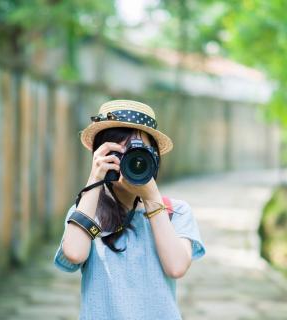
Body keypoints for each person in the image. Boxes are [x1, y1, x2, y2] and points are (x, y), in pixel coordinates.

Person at [54, 99, 206, 320]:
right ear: (101, 156)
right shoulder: (86, 212)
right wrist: (94, 179)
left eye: (139, 152)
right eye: (119, 150)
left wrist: (152, 197)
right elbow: (74, 253)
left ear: (154, 157)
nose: (131, 160)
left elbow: (176, 267)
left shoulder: (176, 212)